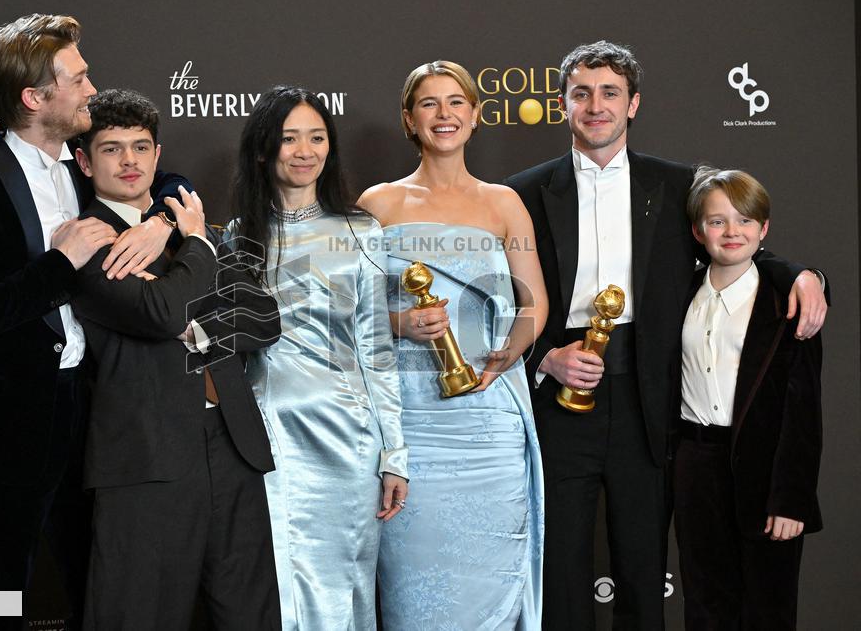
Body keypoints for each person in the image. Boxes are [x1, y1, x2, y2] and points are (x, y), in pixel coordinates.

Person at [505, 40, 828, 631]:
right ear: (563, 104)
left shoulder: (678, 184)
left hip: (650, 397)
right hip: (557, 392)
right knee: (559, 568)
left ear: (633, 104)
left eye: (609, 94)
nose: (595, 106)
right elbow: (500, 295)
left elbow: (734, 239)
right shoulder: (520, 192)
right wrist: (546, 357)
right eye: (582, 94)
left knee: (643, 562)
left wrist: (803, 273)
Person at [0, 14, 179, 630]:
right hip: (5, 426)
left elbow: (165, 176)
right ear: (36, 98)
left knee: (96, 590)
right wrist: (58, 265)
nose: (93, 89)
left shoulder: (79, 165)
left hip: (90, 414)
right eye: (79, 78)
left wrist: (161, 222)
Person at [68, 88, 282, 630]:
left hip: (234, 447)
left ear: (158, 155)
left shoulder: (189, 228)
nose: (130, 161)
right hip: (146, 456)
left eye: (141, 147)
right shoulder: (86, 239)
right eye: (112, 149)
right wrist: (198, 255)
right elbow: (160, 314)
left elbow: (263, 318)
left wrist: (194, 322)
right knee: (139, 615)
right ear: (85, 161)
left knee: (248, 616)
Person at [359, 60, 548, 630]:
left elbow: (532, 303)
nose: (444, 115)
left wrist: (507, 354)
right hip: (410, 423)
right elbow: (350, 310)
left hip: (489, 422)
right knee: (416, 598)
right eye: (429, 104)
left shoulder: (504, 204)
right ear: (409, 120)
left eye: (456, 103)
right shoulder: (377, 204)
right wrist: (400, 325)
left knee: (489, 585)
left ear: (475, 116)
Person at [227, 85, 408, 630]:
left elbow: (377, 350)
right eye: (289, 138)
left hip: (347, 443)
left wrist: (394, 452)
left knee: (344, 589)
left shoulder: (360, 232)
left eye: (317, 137)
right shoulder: (237, 239)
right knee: (277, 589)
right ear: (263, 150)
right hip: (266, 443)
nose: (304, 151)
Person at [673, 167, 822, 630]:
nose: (732, 232)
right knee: (705, 605)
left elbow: (804, 410)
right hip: (695, 469)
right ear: (699, 231)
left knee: (767, 610)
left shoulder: (787, 301)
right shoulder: (680, 293)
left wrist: (791, 499)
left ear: (764, 228)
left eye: (745, 220)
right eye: (717, 221)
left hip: (764, 475)